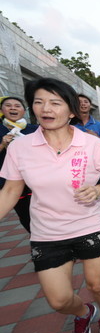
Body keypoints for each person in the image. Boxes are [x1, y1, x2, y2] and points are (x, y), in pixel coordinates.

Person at [0, 78, 100, 333]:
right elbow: (10, 191)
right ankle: (83, 313)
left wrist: (99, 189)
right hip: (47, 231)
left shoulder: (91, 144)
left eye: (55, 103)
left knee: (97, 285)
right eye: (40, 102)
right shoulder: (20, 148)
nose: (47, 108)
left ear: (70, 111)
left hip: (90, 224)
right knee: (58, 300)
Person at [0, 96, 38, 232]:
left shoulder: (35, 129)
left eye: (17, 106)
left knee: (45, 212)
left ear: (24, 110)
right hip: (12, 182)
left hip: (37, 179)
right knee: (26, 215)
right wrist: (3, 144)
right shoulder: (1, 131)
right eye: (8, 105)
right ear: (2, 110)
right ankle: (37, 239)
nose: (13, 108)